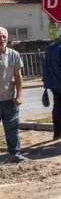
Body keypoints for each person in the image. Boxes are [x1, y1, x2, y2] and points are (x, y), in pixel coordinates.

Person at [0, 27, 26, 162]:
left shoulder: (14, 54)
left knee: (12, 128)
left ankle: (14, 154)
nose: (1, 39)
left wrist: (19, 95)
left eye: (4, 36)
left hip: (9, 99)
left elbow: (18, 75)